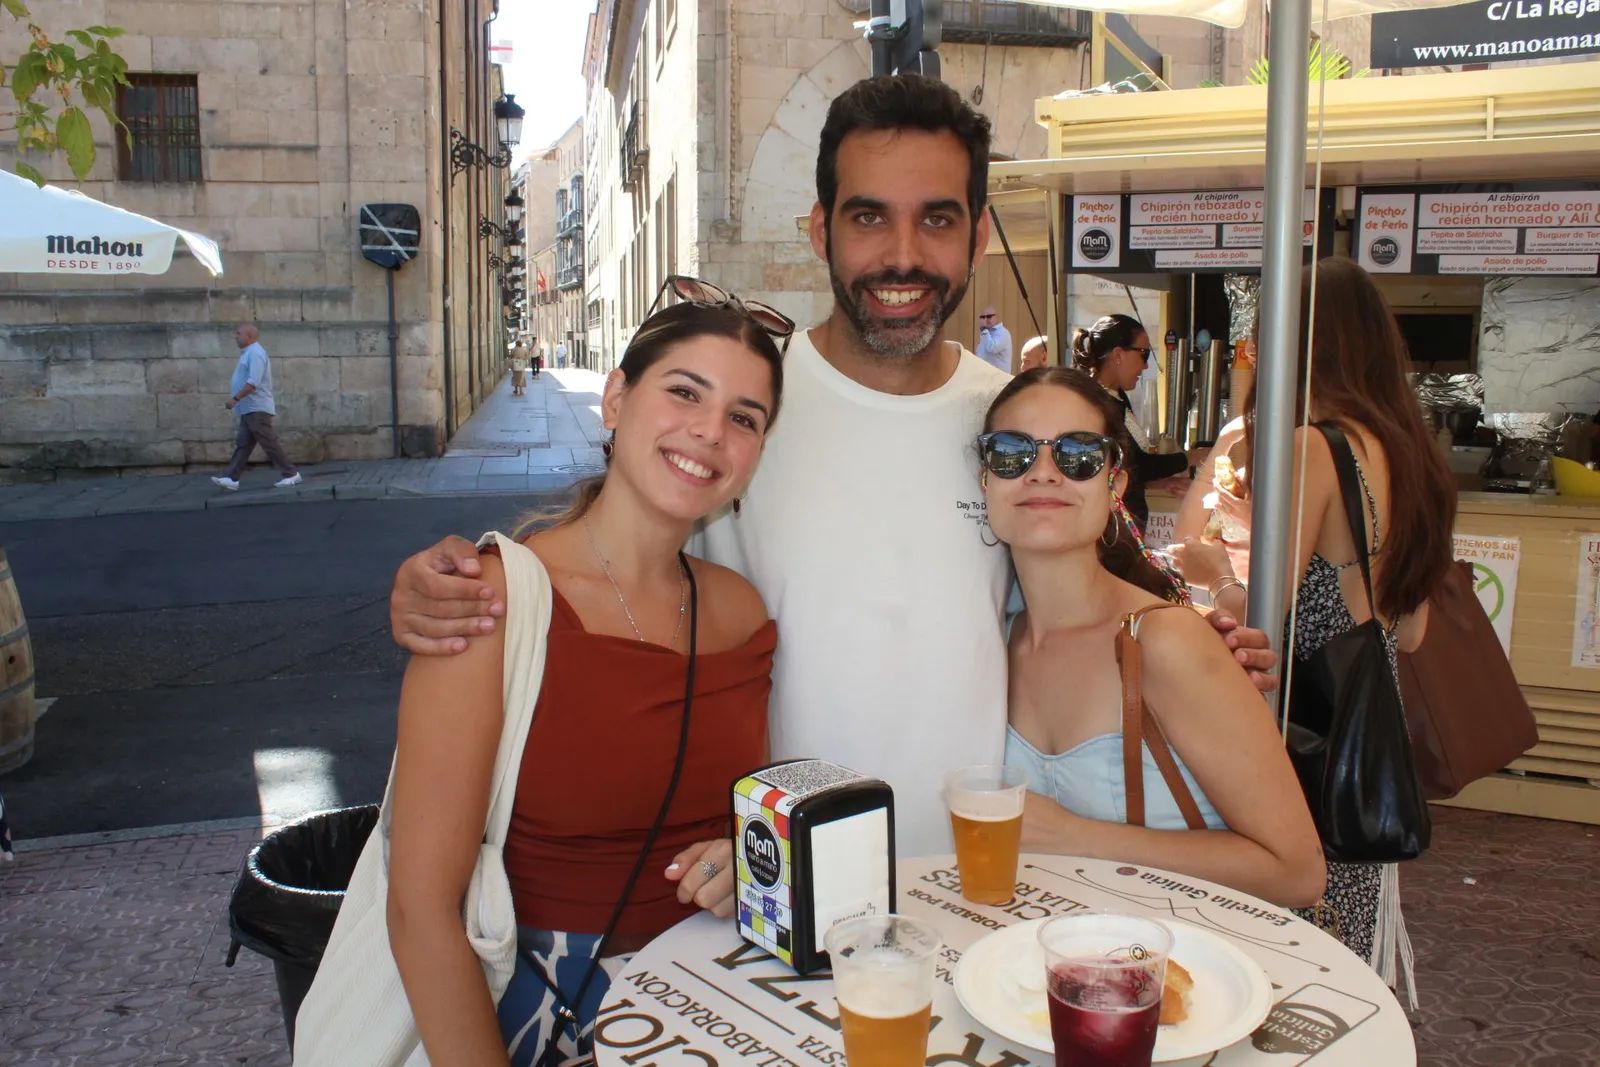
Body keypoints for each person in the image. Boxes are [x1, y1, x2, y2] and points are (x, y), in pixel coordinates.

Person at [386, 75, 1277, 855]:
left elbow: (1073, 590)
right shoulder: (750, 410)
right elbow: (623, 549)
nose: (901, 255)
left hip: (975, 880)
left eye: (936, 219)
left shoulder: (1006, 425)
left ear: (975, 239)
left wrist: (1195, 644)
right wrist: (469, 582)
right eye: (867, 217)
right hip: (772, 882)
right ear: (819, 229)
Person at [386, 295, 786, 1065]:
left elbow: (745, 817)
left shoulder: (738, 611)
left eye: (744, 417)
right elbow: (419, 909)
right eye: (684, 391)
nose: (709, 430)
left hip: (726, 1001)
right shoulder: (493, 602)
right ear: (614, 398)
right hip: (545, 1012)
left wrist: (740, 860)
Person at [1170, 256, 1457, 992]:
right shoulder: (1412, 455)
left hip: (1304, 748)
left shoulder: (1313, 448)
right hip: (1369, 750)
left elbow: (1265, 614)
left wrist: (1213, 573)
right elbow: (1412, 633)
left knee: (1286, 966)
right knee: (1341, 978)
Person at [982, 368, 1325, 907]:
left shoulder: (1166, 642)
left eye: (1078, 455)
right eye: (1011, 452)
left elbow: (1297, 873)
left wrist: (1075, 838)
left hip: (1178, 971)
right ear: (986, 480)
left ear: (1114, 484)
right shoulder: (991, 636)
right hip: (1044, 969)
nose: (1043, 472)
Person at [1071, 315, 1203, 530]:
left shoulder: (1116, 395)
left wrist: (1161, 482)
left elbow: (1128, 465)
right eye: (1144, 354)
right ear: (1118, 354)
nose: (1146, 365)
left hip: (1128, 523)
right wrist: (1191, 457)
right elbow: (1135, 466)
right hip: (1112, 529)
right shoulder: (1095, 404)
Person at [210, 324, 301, 491]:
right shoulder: (248, 353)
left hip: (257, 407)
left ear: (249, 336)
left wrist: (235, 399)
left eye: (238, 333)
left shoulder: (256, 353)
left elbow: (253, 382)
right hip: (249, 408)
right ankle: (231, 478)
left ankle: (291, 473)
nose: (235, 336)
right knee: (243, 444)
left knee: (268, 443)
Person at [975, 306, 1012, 374]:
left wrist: (984, 330)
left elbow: (992, 348)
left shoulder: (1003, 333)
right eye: (982, 317)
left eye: (989, 316)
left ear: (997, 317)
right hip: (986, 378)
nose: (985, 319)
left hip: (999, 379)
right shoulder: (986, 334)